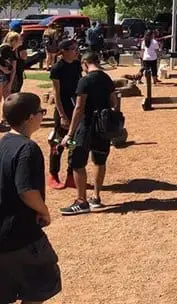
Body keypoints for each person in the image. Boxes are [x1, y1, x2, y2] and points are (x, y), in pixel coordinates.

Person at [0, 92, 62, 303]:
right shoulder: (27, 148)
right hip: (21, 235)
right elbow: (26, 190)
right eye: (40, 111)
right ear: (29, 117)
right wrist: (44, 212)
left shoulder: (3, 143)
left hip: (2, 233)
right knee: (39, 289)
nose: (42, 115)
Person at [59, 51, 117, 215]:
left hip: (86, 125)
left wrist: (70, 133)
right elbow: (114, 102)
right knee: (99, 160)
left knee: (77, 162)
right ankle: (96, 197)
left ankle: (81, 201)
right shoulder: (106, 78)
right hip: (102, 126)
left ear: (85, 63)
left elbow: (79, 107)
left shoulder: (85, 80)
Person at [48, 39, 81, 190]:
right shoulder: (57, 68)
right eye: (73, 48)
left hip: (76, 107)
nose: (76, 51)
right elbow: (56, 93)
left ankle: (70, 176)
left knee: (74, 142)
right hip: (63, 108)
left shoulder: (77, 64)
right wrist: (62, 115)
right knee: (58, 142)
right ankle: (53, 174)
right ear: (64, 51)